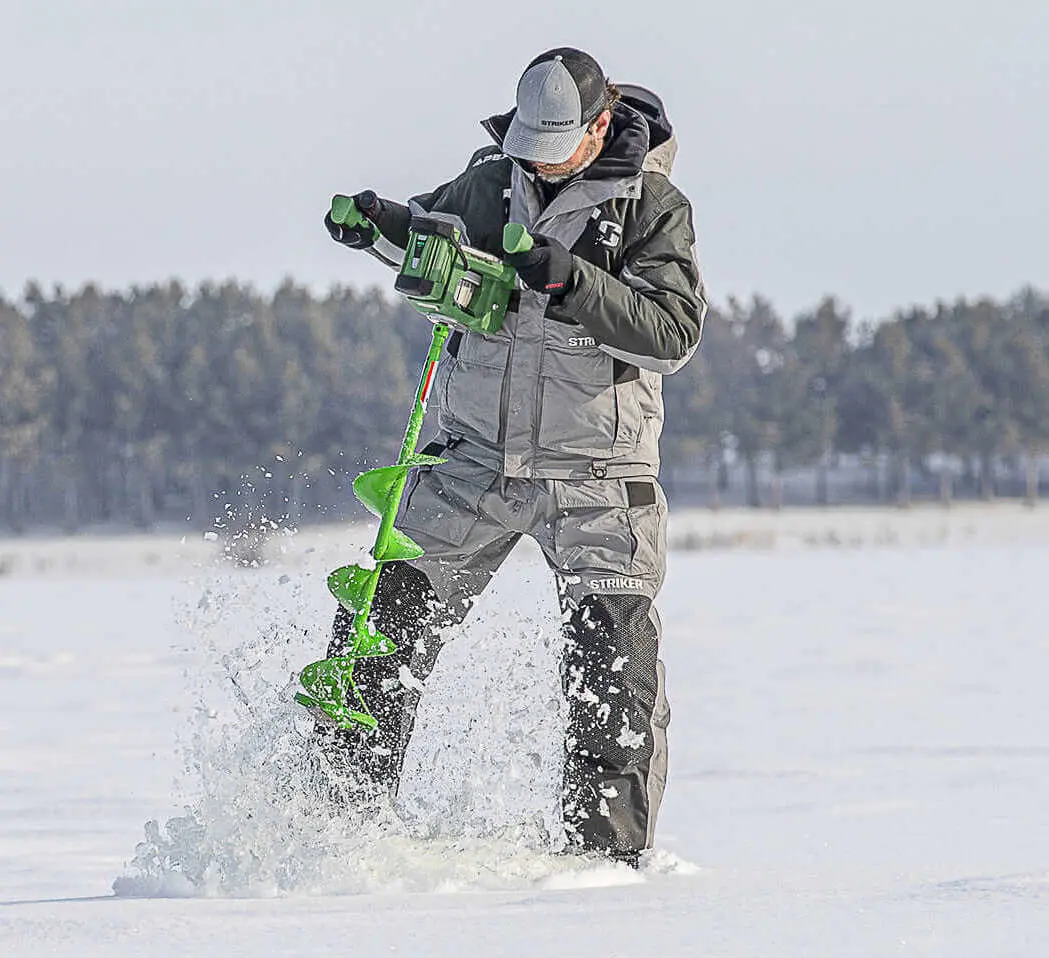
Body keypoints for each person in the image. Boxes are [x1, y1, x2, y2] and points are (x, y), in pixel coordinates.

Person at [320, 47, 706, 866]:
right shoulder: (493, 181)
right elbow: (429, 238)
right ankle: (331, 836)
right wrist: (375, 224)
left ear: (600, 127)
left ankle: (601, 867)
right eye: (527, 139)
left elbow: (672, 335)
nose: (535, 158)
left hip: (599, 482)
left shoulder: (652, 209)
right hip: (471, 464)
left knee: (612, 673)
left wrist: (574, 282)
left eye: (553, 142)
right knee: (375, 634)